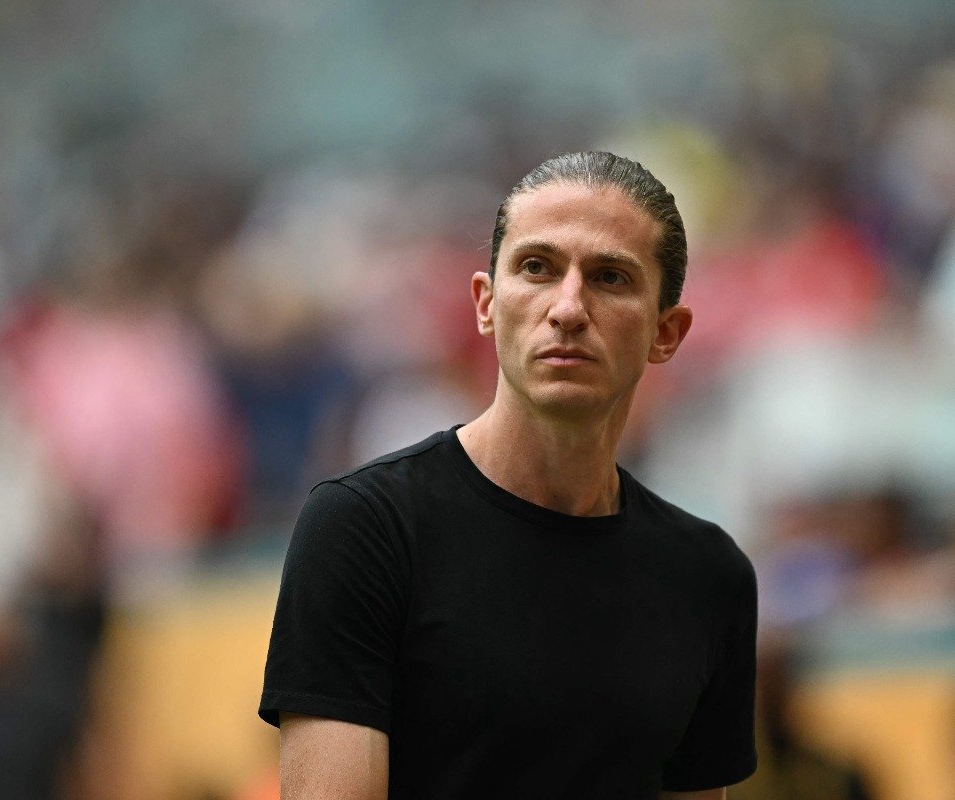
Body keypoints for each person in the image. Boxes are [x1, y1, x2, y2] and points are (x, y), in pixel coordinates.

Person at [258, 152, 759, 799]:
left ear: (667, 332)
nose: (568, 307)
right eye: (536, 268)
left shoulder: (708, 575)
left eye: (609, 277)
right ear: (486, 304)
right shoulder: (366, 529)